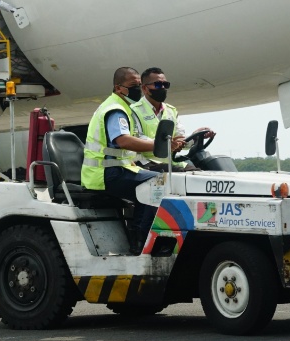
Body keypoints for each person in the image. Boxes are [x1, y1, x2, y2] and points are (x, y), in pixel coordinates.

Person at [81, 67, 184, 255]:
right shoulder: (116, 109)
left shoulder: (121, 107)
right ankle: (140, 241)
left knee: (159, 177)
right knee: (156, 183)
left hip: (117, 169)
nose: (138, 89)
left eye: (138, 84)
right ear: (119, 88)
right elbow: (123, 141)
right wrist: (157, 145)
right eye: (133, 86)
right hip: (104, 173)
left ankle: (146, 234)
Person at [131, 67, 216, 171]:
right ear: (144, 88)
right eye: (158, 84)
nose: (162, 88)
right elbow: (135, 140)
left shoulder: (171, 111)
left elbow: (179, 140)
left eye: (165, 85)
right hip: (146, 164)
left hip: (171, 163)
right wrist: (168, 144)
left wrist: (195, 137)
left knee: (201, 175)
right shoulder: (134, 110)